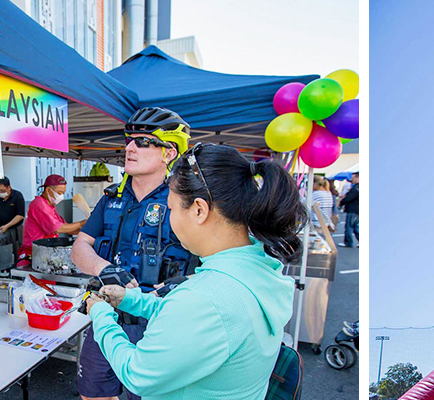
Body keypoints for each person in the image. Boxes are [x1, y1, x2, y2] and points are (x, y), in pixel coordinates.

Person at [87, 142, 304, 399]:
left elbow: (138, 374)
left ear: (199, 210)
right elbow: (187, 321)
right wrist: (130, 299)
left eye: (172, 209)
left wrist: (101, 314)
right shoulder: (259, 270)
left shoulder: (205, 297)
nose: (170, 218)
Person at [70, 107, 195, 400]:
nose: (129, 147)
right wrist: (105, 269)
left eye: (142, 141)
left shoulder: (186, 202)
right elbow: (79, 248)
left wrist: (183, 284)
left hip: (159, 326)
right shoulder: (112, 198)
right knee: (94, 395)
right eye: (128, 139)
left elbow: (212, 262)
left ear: (168, 152)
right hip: (106, 319)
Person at [22, 174, 86, 253]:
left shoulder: (50, 206)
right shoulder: (39, 204)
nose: (62, 196)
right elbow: (58, 229)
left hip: (46, 250)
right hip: (34, 252)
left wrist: (88, 230)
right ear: (48, 190)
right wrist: (81, 223)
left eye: (63, 193)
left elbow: (67, 229)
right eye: (59, 193)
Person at [340, 173, 360, 248]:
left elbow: (349, 197)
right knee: (355, 226)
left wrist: (342, 202)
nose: (351, 180)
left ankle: (348, 242)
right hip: (357, 209)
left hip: (353, 209)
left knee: (349, 226)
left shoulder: (356, 188)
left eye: (353, 178)